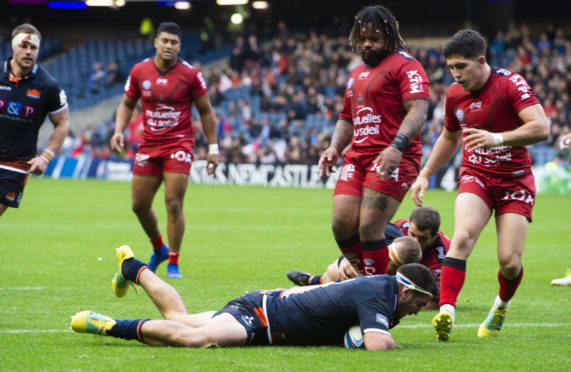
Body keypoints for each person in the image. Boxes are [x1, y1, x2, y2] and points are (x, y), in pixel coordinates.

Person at [410, 30, 549, 341]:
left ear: (481, 61)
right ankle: (446, 311)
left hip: (514, 180)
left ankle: (501, 305)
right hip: (477, 175)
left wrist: (496, 138)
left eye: (461, 66)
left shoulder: (510, 84)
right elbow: (449, 137)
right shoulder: (455, 95)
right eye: (451, 68)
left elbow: (541, 128)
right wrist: (425, 173)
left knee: (509, 262)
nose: (456, 74)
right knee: (462, 238)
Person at [72, 245, 437, 350]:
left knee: (179, 318)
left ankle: (132, 267)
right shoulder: (379, 295)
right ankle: (108, 327)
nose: (420, 312)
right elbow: (376, 345)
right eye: (420, 304)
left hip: (267, 305)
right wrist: (394, 347)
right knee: (195, 339)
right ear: (407, 290)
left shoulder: (385, 295)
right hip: (261, 318)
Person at [318, 5, 429, 278]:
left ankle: (376, 291)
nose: (368, 44)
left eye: (375, 39)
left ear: (390, 36)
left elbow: (418, 110)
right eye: (363, 38)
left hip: (394, 156)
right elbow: (346, 116)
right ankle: (369, 278)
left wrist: (396, 146)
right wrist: (335, 147)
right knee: (341, 224)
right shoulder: (356, 73)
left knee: (369, 227)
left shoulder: (406, 66)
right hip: (358, 155)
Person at [110, 22, 219, 278]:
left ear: (180, 46)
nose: (169, 46)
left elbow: (206, 112)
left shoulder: (191, 75)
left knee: (173, 203)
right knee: (138, 204)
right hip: (149, 144)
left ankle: (174, 262)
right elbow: (126, 104)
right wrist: (118, 131)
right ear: (156, 42)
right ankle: (159, 248)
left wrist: (213, 148)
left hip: (179, 144)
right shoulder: (140, 71)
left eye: (174, 42)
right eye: (165, 41)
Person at [288, 206, 449, 309]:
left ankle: (311, 287)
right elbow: (367, 245)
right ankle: (314, 282)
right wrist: (349, 259)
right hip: (384, 277)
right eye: (413, 234)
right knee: (340, 269)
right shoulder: (398, 229)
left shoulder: (440, 259)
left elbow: (432, 302)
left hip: (402, 288)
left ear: (434, 236)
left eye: (423, 238)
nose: (415, 241)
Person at [0, 23, 70, 217]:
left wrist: (45, 157)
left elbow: (63, 123)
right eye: (23, 46)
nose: (28, 51)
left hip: (14, 165)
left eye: (33, 47)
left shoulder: (48, 85)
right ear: (13, 47)